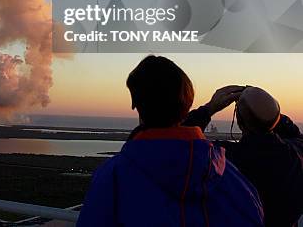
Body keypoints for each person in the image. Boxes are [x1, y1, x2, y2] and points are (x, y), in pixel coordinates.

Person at [77, 56, 264, 226]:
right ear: (188, 102)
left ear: (135, 104)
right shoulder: (230, 177)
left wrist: (207, 110)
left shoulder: (113, 177)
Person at [185, 85, 303, 227]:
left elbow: (182, 144)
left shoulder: (221, 158)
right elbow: (294, 134)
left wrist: (209, 108)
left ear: (240, 122)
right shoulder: (296, 154)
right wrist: (265, 106)